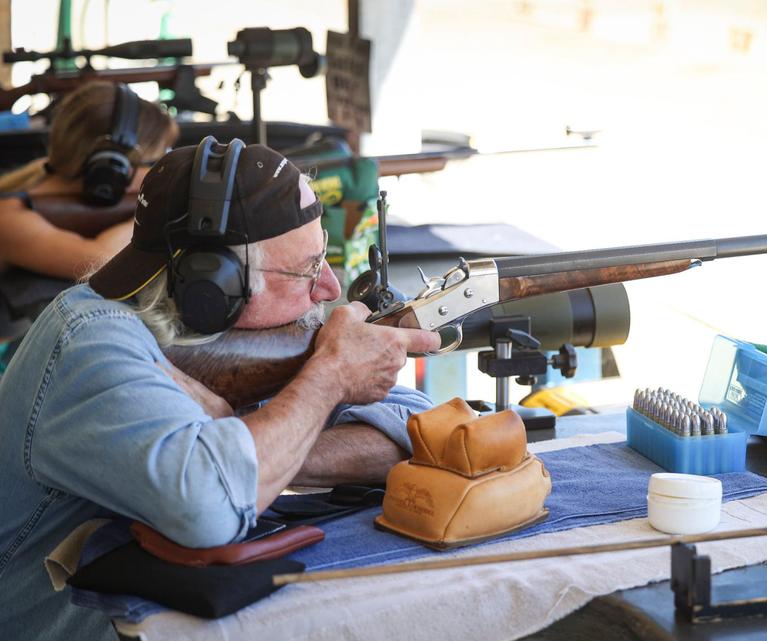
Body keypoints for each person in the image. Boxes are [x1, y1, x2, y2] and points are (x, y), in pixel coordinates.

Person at [0, 139, 441, 641]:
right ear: (213, 283)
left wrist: (239, 433)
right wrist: (330, 379)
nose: (330, 289)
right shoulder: (89, 343)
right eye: (307, 268)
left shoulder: (237, 332)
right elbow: (210, 509)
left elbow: (415, 430)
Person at [0, 81, 178, 349]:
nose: (164, 172)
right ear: (112, 167)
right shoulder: (8, 216)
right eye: (158, 161)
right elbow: (100, 258)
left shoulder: (42, 187)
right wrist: (164, 210)